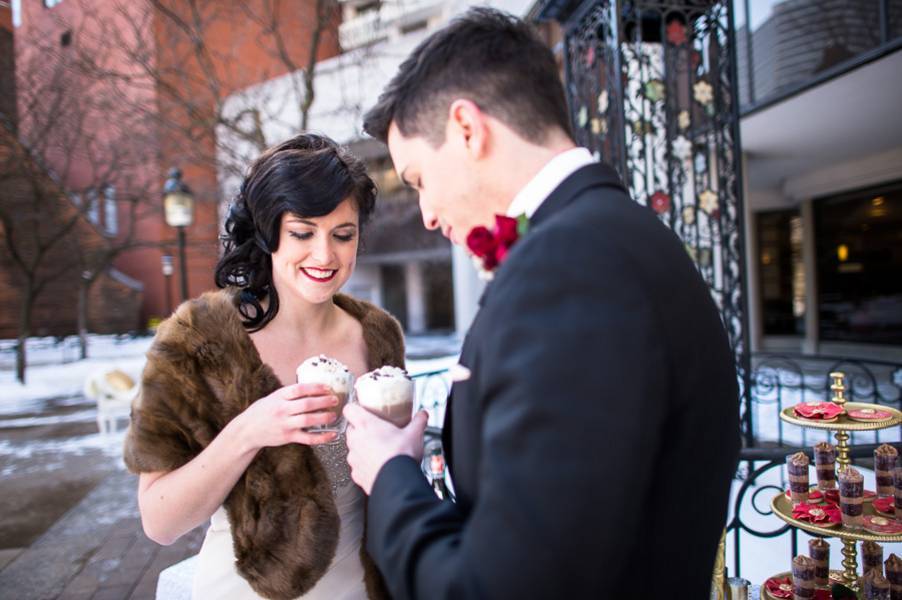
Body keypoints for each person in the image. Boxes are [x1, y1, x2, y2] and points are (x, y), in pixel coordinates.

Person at [343, 8, 741, 599]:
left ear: (467, 129)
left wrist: (389, 475)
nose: (425, 213)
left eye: (419, 177)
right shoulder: (617, 235)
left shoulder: (569, 267)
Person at [123, 133, 398, 600]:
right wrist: (248, 432)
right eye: (302, 233)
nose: (325, 255)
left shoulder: (378, 333)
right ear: (268, 232)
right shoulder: (197, 341)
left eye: (343, 235)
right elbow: (159, 522)